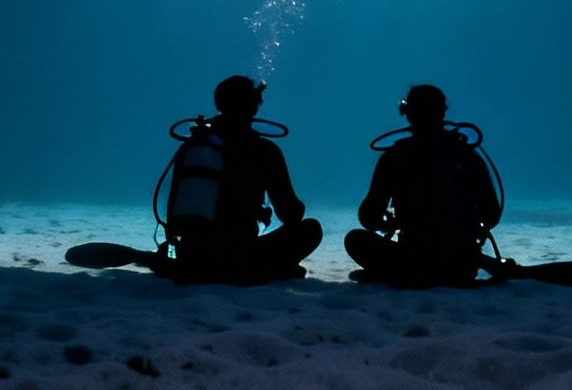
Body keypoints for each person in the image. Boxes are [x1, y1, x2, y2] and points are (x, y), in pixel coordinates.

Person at [163, 75, 321, 284]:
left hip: (190, 255)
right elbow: (291, 214)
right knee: (310, 229)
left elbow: (173, 210)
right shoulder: (264, 150)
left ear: (219, 103)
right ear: (254, 107)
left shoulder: (193, 146)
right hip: (238, 258)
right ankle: (266, 271)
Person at [344, 84, 502, 287]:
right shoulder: (468, 156)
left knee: (356, 240)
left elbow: (369, 217)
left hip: (411, 259)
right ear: (443, 112)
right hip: (461, 263)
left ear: (407, 114)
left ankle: (402, 274)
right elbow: (492, 214)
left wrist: (390, 222)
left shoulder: (395, 157)